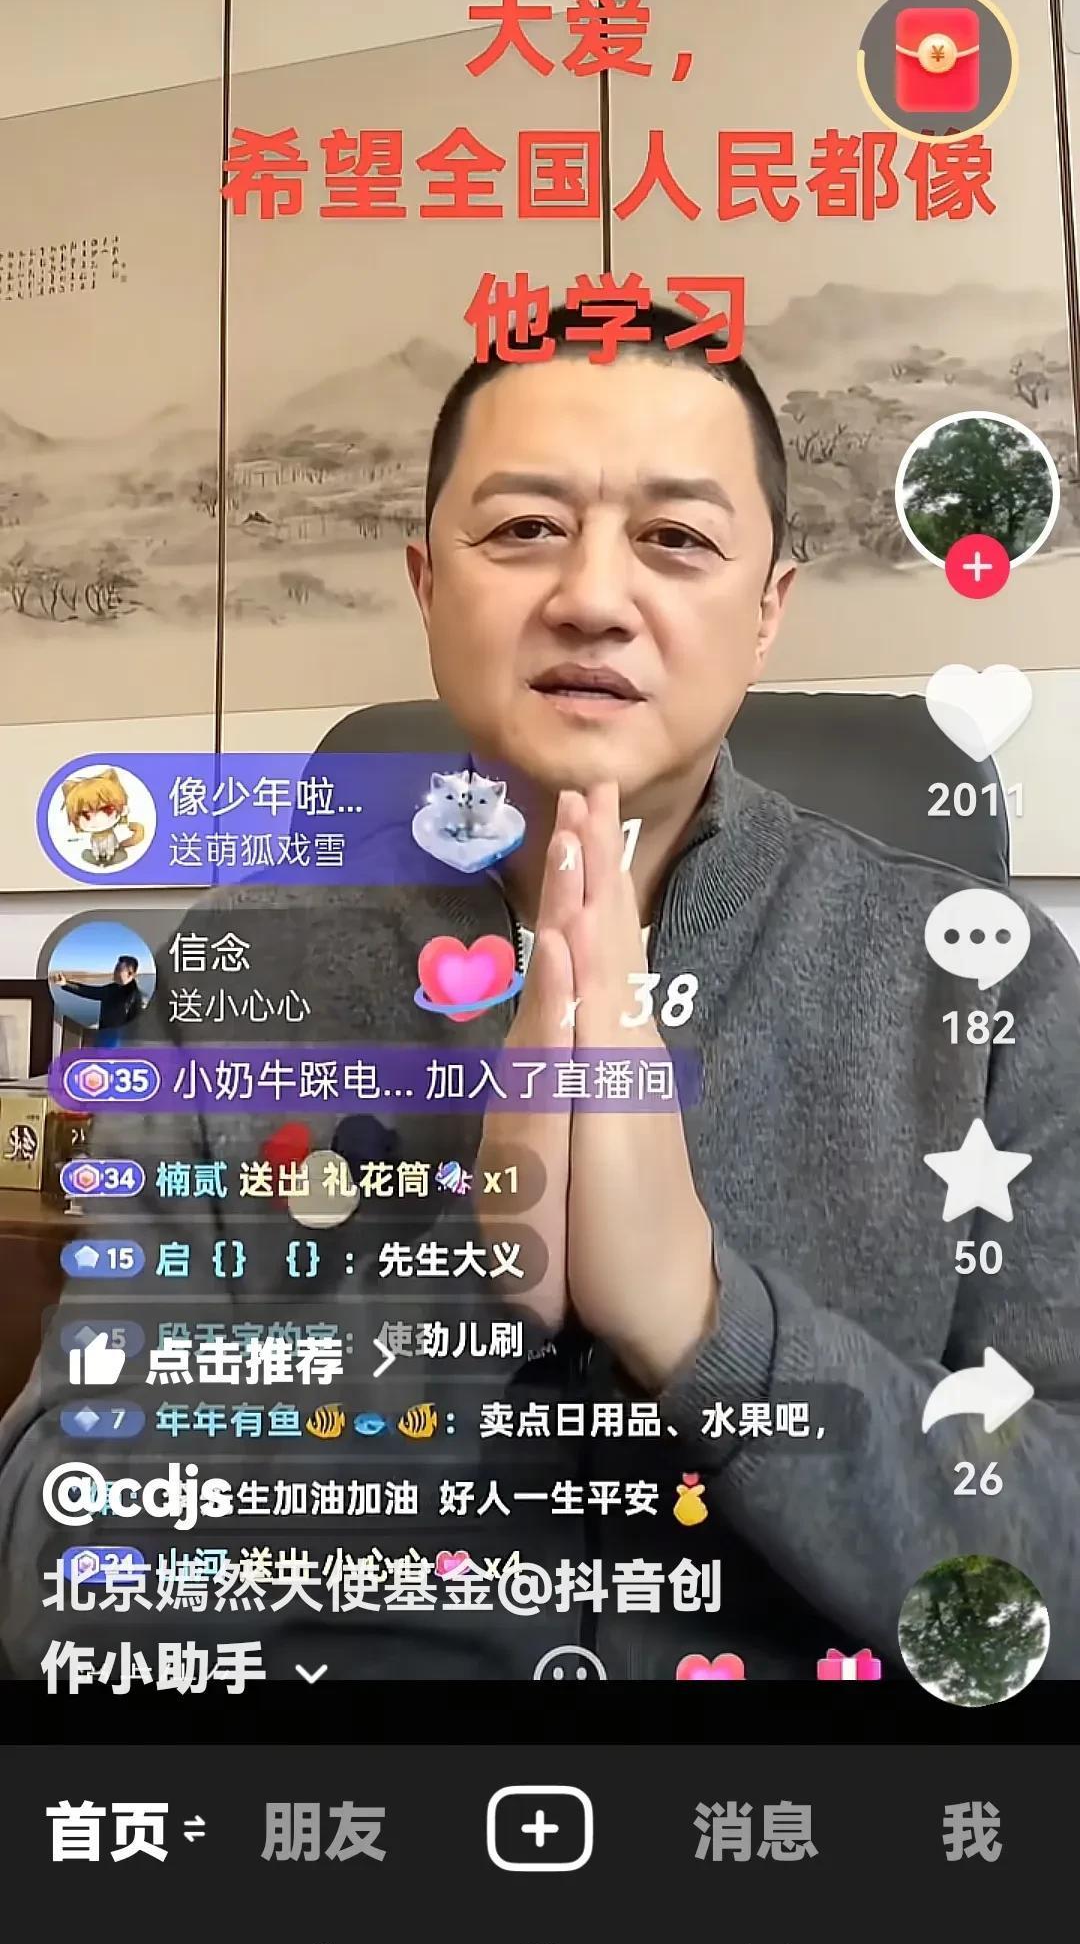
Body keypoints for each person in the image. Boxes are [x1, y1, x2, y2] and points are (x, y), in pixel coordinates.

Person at [1, 303, 1078, 1684]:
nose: (592, 597)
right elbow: (54, 1587)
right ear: (426, 585)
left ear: (767, 611)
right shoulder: (232, 977)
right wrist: (472, 1292)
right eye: (523, 528)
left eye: (676, 538)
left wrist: (702, 1322)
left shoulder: (983, 986)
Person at [48, 955, 143, 1048]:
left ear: (130, 974)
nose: (114, 972)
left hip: (116, 1042)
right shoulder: (112, 988)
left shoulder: (135, 996)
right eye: (115, 969)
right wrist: (65, 984)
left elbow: (136, 1026)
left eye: (118, 969)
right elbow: (89, 991)